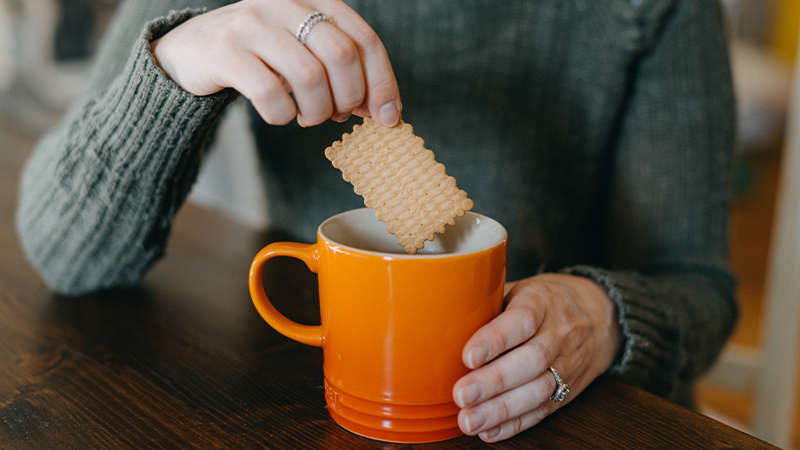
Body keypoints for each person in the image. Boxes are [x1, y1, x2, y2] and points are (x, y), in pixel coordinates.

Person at [16, 0, 737, 443]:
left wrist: (603, 316)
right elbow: (66, 253)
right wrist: (175, 64)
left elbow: (699, 287)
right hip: (318, 409)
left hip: (577, 417)